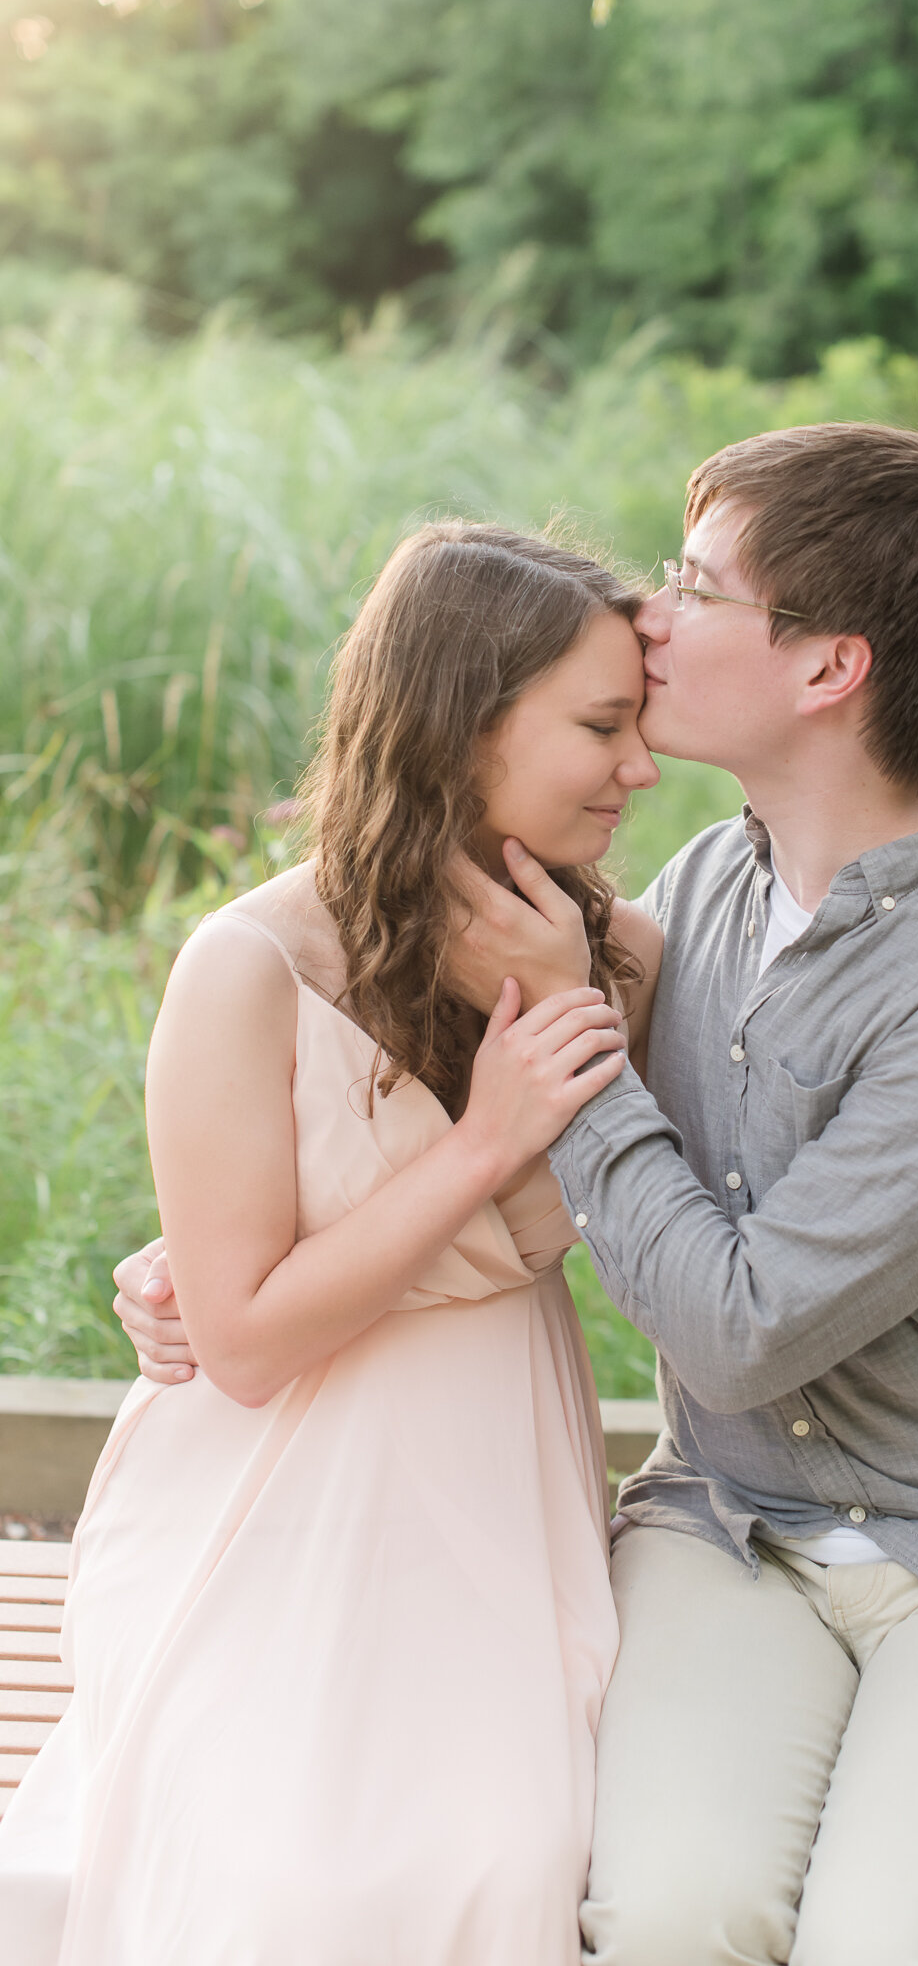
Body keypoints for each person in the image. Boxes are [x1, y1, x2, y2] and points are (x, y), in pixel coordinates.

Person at [114, 424, 918, 1966]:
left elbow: (741, 1327)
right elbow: (431, 1142)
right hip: (732, 1533)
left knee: (896, 1943)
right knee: (675, 1916)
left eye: (697, 584)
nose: (656, 616)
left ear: (827, 669)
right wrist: (210, 1248)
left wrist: (573, 1061)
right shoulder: (695, 900)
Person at [0, 522, 665, 1966]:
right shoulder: (248, 968)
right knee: (283, 1871)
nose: (642, 767)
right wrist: (486, 1142)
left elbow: (676, 1238)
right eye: (602, 727)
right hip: (277, 1492)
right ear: (462, 724)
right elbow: (239, 1344)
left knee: (511, 1858)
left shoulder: (627, 958)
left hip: (496, 1484)